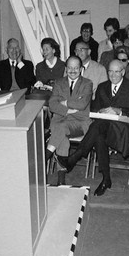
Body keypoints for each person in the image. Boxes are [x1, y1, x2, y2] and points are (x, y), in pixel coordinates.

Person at [62, 59, 129, 196]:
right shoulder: (102, 87)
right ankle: (106, 179)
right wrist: (99, 112)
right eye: (110, 71)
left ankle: (77, 155)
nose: (113, 75)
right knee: (99, 135)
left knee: (99, 128)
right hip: (102, 128)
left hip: (123, 130)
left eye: (117, 71)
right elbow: (94, 108)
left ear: (123, 72)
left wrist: (119, 110)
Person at [46, 56, 93, 185]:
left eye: (76, 67)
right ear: (66, 69)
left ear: (81, 69)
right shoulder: (59, 82)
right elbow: (52, 104)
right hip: (60, 120)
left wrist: (65, 102)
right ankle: (61, 179)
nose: (73, 70)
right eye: (70, 68)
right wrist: (67, 110)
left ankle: (44, 156)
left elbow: (82, 104)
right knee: (63, 139)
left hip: (79, 123)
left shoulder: (87, 83)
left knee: (61, 129)